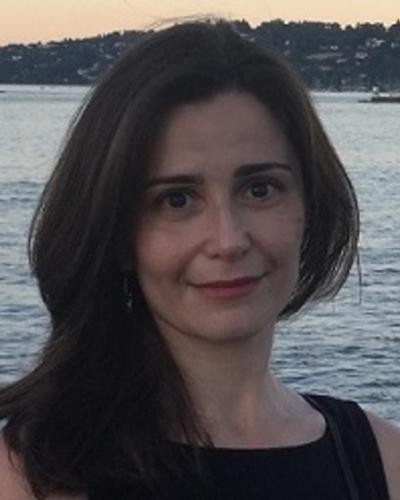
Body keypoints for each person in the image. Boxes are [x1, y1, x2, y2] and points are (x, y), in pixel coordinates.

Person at [0, 19, 399, 500]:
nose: (228, 240)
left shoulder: (379, 461)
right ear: (119, 235)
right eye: (177, 200)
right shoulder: (34, 475)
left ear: (309, 208)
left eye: (260, 188)